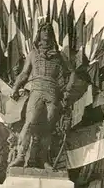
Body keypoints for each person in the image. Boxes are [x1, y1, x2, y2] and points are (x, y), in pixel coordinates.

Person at [9, 23, 72, 169]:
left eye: (49, 31)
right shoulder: (33, 54)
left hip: (52, 92)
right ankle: (20, 156)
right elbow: (25, 73)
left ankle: (43, 159)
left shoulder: (60, 56)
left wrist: (67, 93)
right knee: (30, 123)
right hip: (37, 90)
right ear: (39, 34)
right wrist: (15, 87)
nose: (46, 33)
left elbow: (72, 73)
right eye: (43, 30)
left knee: (48, 128)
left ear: (52, 35)